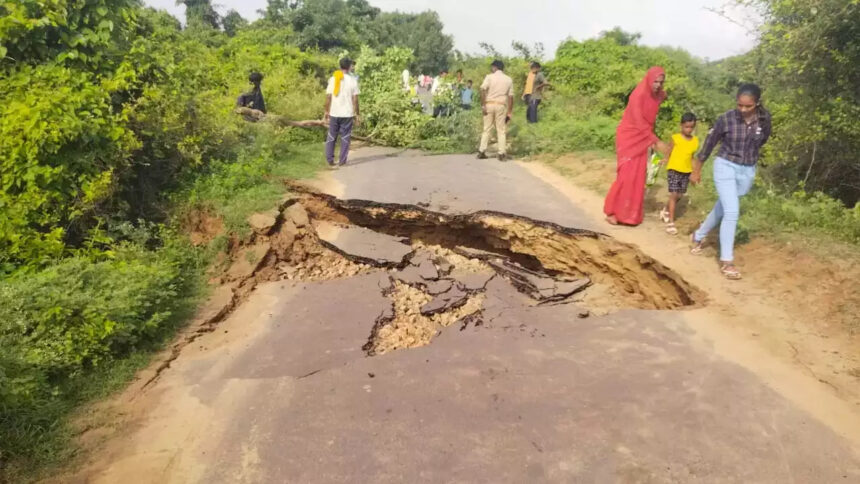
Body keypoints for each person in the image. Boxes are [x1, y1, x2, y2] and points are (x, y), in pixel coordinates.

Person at [690, 83, 772, 280]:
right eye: (740, 105)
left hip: (747, 169)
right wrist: (697, 169)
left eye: (748, 106)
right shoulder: (726, 119)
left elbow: (763, 139)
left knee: (725, 206)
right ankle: (727, 262)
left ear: (757, 104)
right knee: (732, 211)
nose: (743, 110)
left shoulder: (765, 119)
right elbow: (709, 144)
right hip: (726, 165)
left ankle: (699, 236)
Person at [604, 66, 669, 225]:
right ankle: (612, 212)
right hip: (629, 137)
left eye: (661, 82)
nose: (658, 85)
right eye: (655, 82)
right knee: (625, 175)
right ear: (648, 80)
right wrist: (656, 141)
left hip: (643, 138)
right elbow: (639, 123)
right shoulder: (638, 96)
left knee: (638, 176)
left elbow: (661, 97)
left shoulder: (658, 95)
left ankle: (630, 216)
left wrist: (661, 95)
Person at [659, 113, 699, 235]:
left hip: (686, 171)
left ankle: (666, 210)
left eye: (691, 127)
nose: (689, 129)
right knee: (674, 193)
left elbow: (692, 157)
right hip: (674, 169)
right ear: (681, 125)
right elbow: (669, 150)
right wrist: (665, 159)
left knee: (680, 195)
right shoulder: (675, 138)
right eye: (686, 127)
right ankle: (671, 222)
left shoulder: (695, 141)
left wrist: (696, 172)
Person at [324, 58, 360, 169]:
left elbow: (329, 97)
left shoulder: (333, 79)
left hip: (334, 112)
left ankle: (330, 160)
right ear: (349, 67)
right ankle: (342, 161)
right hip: (347, 114)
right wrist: (357, 113)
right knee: (345, 137)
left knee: (331, 136)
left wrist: (326, 111)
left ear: (340, 66)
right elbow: (355, 99)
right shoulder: (353, 80)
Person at [478, 60, 514, 161]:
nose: (491, 69)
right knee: (501, 130)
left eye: (492, 67)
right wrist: (509, 112)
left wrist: (483, 105)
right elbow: (511, 97)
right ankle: (501, 153)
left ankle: (482, 151)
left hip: (489, 104)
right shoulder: (508, 79)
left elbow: (482, 90)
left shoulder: (489, 77)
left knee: (487, 128)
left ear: (495, 67)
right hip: (501, 105)